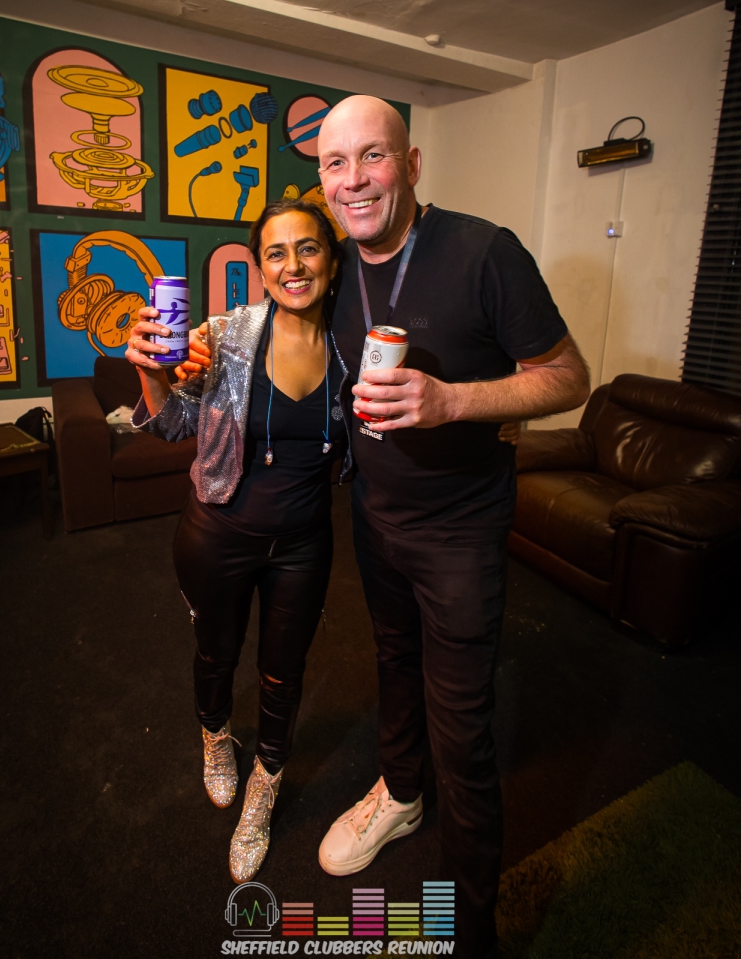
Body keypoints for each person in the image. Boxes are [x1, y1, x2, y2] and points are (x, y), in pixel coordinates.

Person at [185, 97, 589, 958]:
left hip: (459, 530)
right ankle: (400, 795)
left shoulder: (484, 251)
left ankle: (471, 931)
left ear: (410, 164)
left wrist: (456, 402)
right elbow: (270, 333)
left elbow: (567, 377)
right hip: (373, 515)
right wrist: (192, 352)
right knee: (394, 667)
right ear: (323, 180)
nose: (354, 179)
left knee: (463, 729)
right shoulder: (337, 273)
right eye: (336, 163)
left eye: (373, 156)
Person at [124, 200, 348, 885]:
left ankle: (264, 788)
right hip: (217, 533)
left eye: (308, 248)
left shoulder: (354, 342)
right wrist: (152, 371)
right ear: (260, 268)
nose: (293, 265)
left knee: (284, 672)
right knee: (215, 653)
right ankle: (216, 737)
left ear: (331, 260)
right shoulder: (225, 336)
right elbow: (171, 427)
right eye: (276, 253)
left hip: (304, 543)